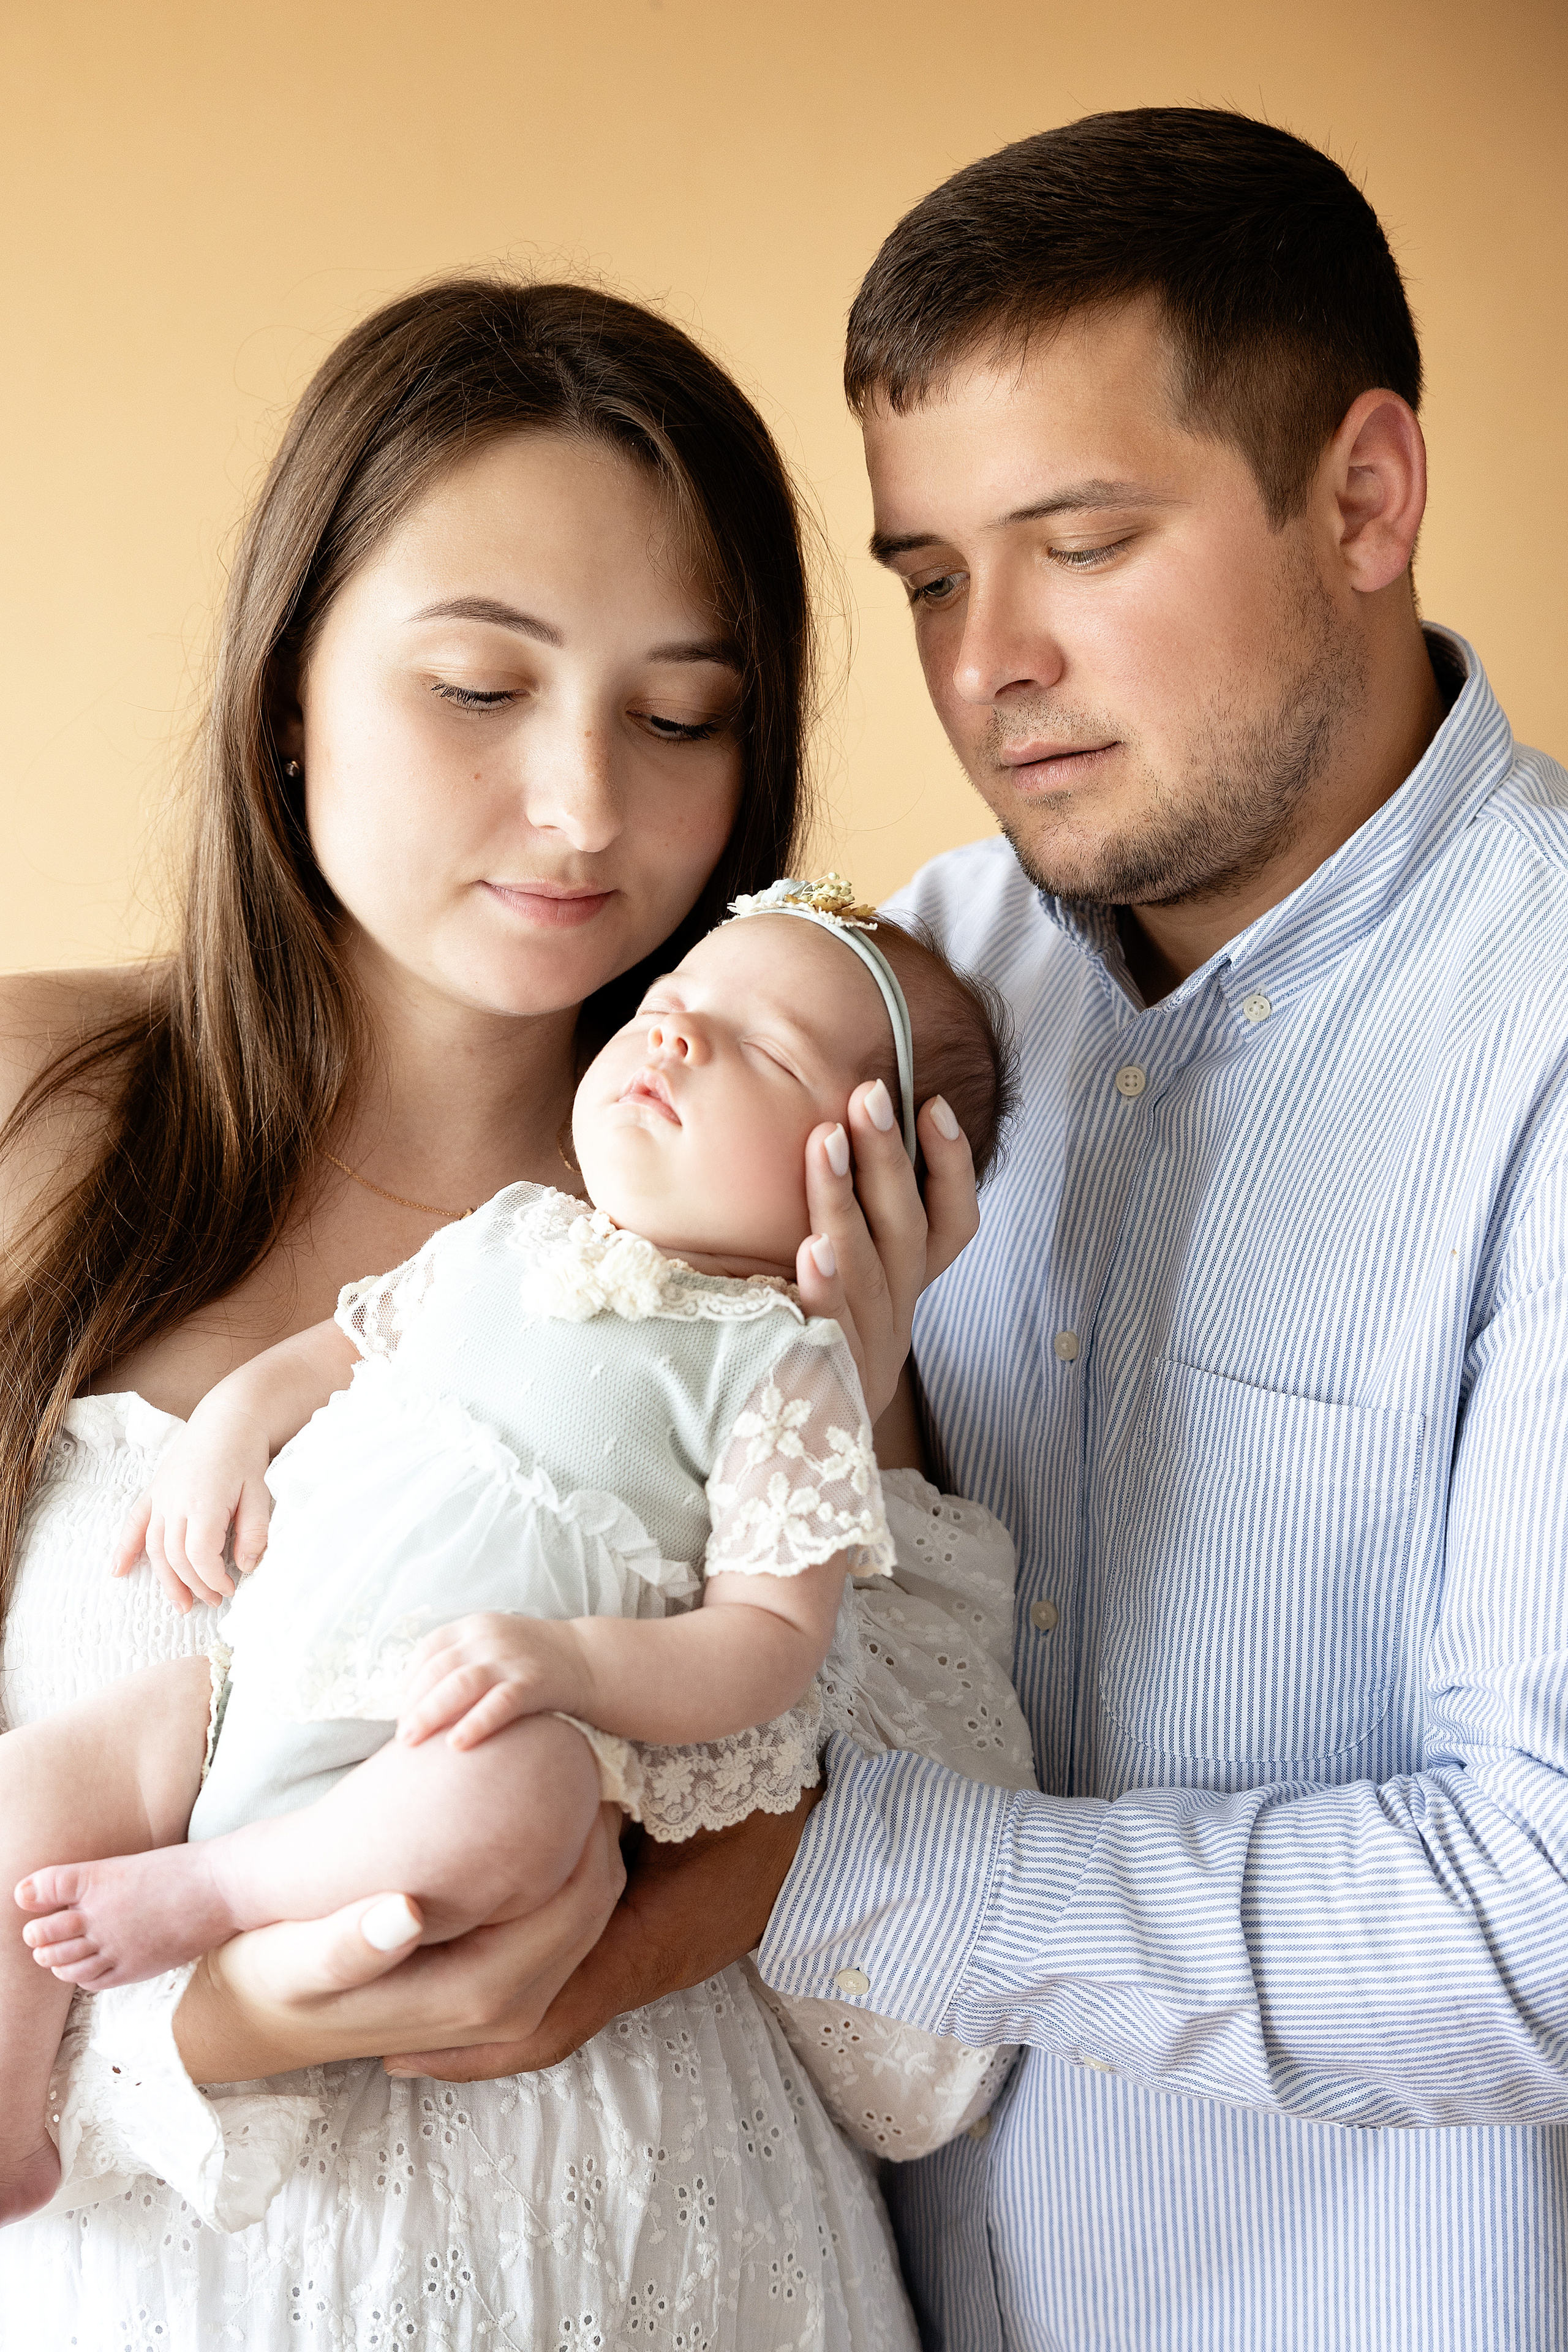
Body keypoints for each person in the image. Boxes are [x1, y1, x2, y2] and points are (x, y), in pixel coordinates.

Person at [0, 279, 1033, 2344]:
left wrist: (861, 1393)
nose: (584, 807)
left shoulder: (796, 1240)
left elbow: (926, 2060)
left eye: (678, 719)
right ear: (290, 687)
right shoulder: (44, 1121)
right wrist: (219, 2028)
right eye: (479, 685)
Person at [751, 108, 1568, 2349]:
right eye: (929, 577)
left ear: (1366, 497)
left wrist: (812, 1871)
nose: (984, 665)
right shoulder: (881, 995)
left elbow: (1543, 1920)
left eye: (1081, 543)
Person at [1, 886, 1014, 2231]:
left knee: (527, 1800)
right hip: (258, 1687)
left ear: (865, 1172)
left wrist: (570, 1662)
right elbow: (351, 1346)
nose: (673, 1044)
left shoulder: (780, 1373)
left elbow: (768, 1644)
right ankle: (15, 2103)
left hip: (455, 1741)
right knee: (39, 1782)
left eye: (760, 1051)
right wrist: (235, 1424)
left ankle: (217, 1888)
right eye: (669, 1009)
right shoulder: (511, 1232)